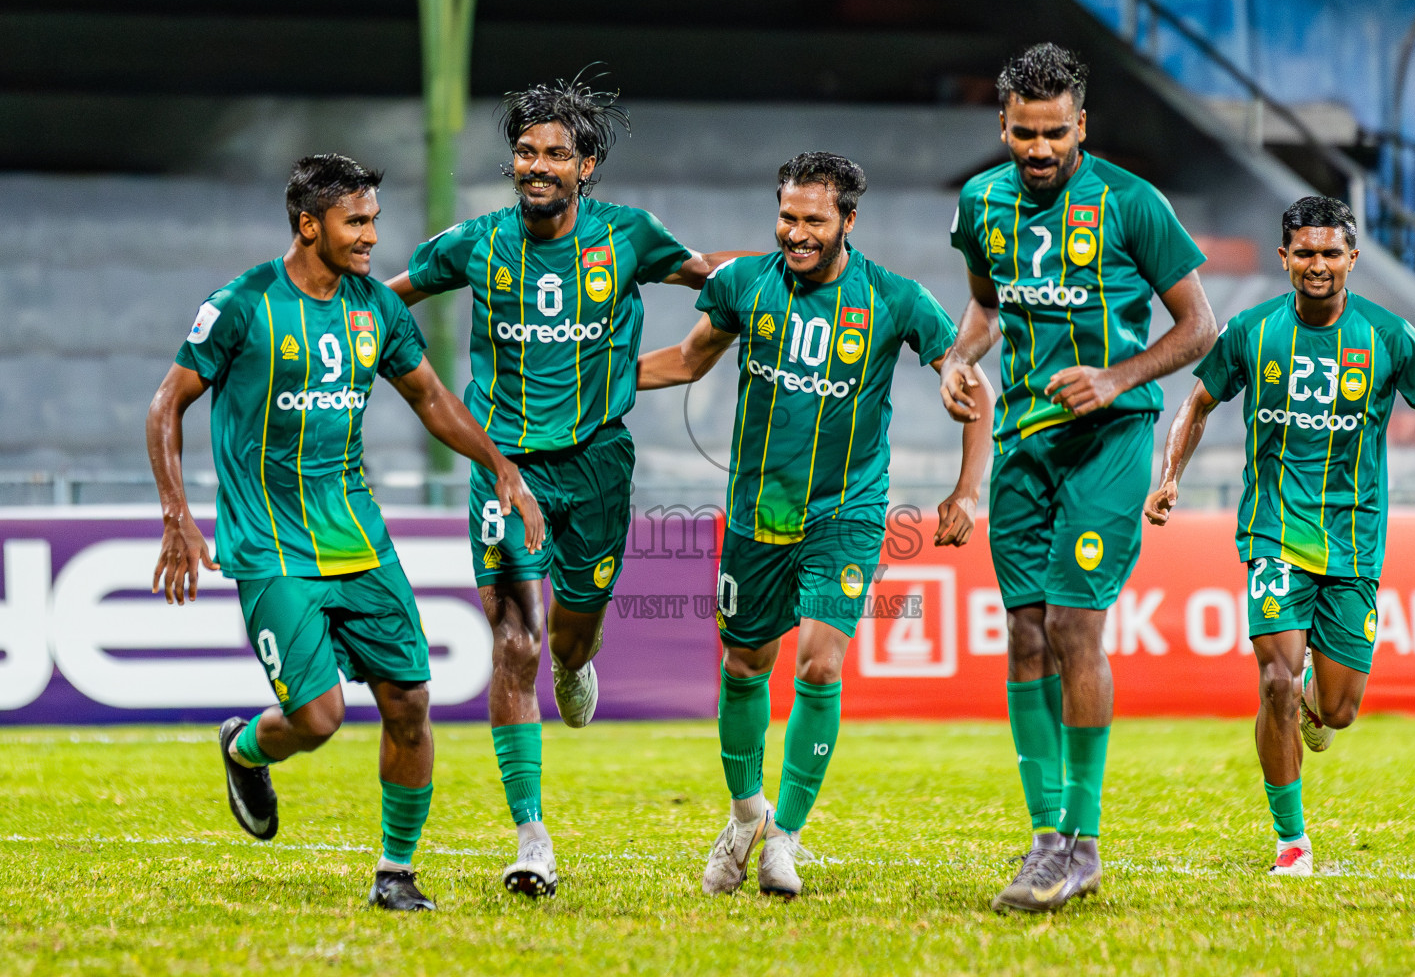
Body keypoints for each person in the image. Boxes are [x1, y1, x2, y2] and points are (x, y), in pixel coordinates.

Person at [147, 154, 544, 912]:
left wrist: (500, 465)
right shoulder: (241, 305)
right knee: (318, 718)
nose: (369, 238)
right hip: (271, 545)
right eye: (354, 222)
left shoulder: (376, 310)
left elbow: (430, 398)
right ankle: (243, 748)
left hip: (358, 538)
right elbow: (167, 404)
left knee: (411, 702)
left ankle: (395, 872)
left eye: (373, 222)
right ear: (308, 225)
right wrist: (176, 513)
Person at [385, 73, 737, 898]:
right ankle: (531, 836)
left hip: (599, 468)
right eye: (524, 152)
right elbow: (384, 298)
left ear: (586, 167)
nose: (535, 165)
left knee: (570, 641)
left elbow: (717, 283)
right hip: (505, 471)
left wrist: (789, 267)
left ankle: (579, 664)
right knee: (514, 642)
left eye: (553, 154)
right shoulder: (474, 243)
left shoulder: (631, 238)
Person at [637, 151, 994, 897]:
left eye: (813, 220)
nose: (796, 233)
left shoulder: (893, 299)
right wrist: (592, 374)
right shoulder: (742, 285)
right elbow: (686, 361)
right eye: (788, 217)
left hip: (848, 513)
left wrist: (967, 489)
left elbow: (969, 382)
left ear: (848, 222)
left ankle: (785, 841)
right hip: (754, 515)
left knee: (821, 665)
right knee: (744, 667)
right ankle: (744, 817)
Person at [938, 43, 1218, 913]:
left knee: (1072, 626)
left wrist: (1117, 378)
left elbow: (1200, 327)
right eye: (1024, 133)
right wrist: (958, 355)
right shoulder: (980, 203)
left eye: (1056, 133)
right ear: (1004, 126)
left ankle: (1085, 840)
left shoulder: (1134, 205)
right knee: (1024, 637)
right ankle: (1045, 841)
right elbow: (987, 305)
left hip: (1110, 437)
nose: (1039, 149)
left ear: (1081, 126)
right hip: (1023, 439)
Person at [1146, 194, 1415, 876]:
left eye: (1331, 252)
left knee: (1338, 711)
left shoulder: (1391, 337)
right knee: (1273, 678)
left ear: (1353, 258)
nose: (1318, 264)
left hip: (1355, 544)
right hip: (1274, 535)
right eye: (1305, 252)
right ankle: (1291, 841)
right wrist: (1170, 476)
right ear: (1284, 259)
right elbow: (1199, 402)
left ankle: (1311, 700)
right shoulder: (1252, 332)